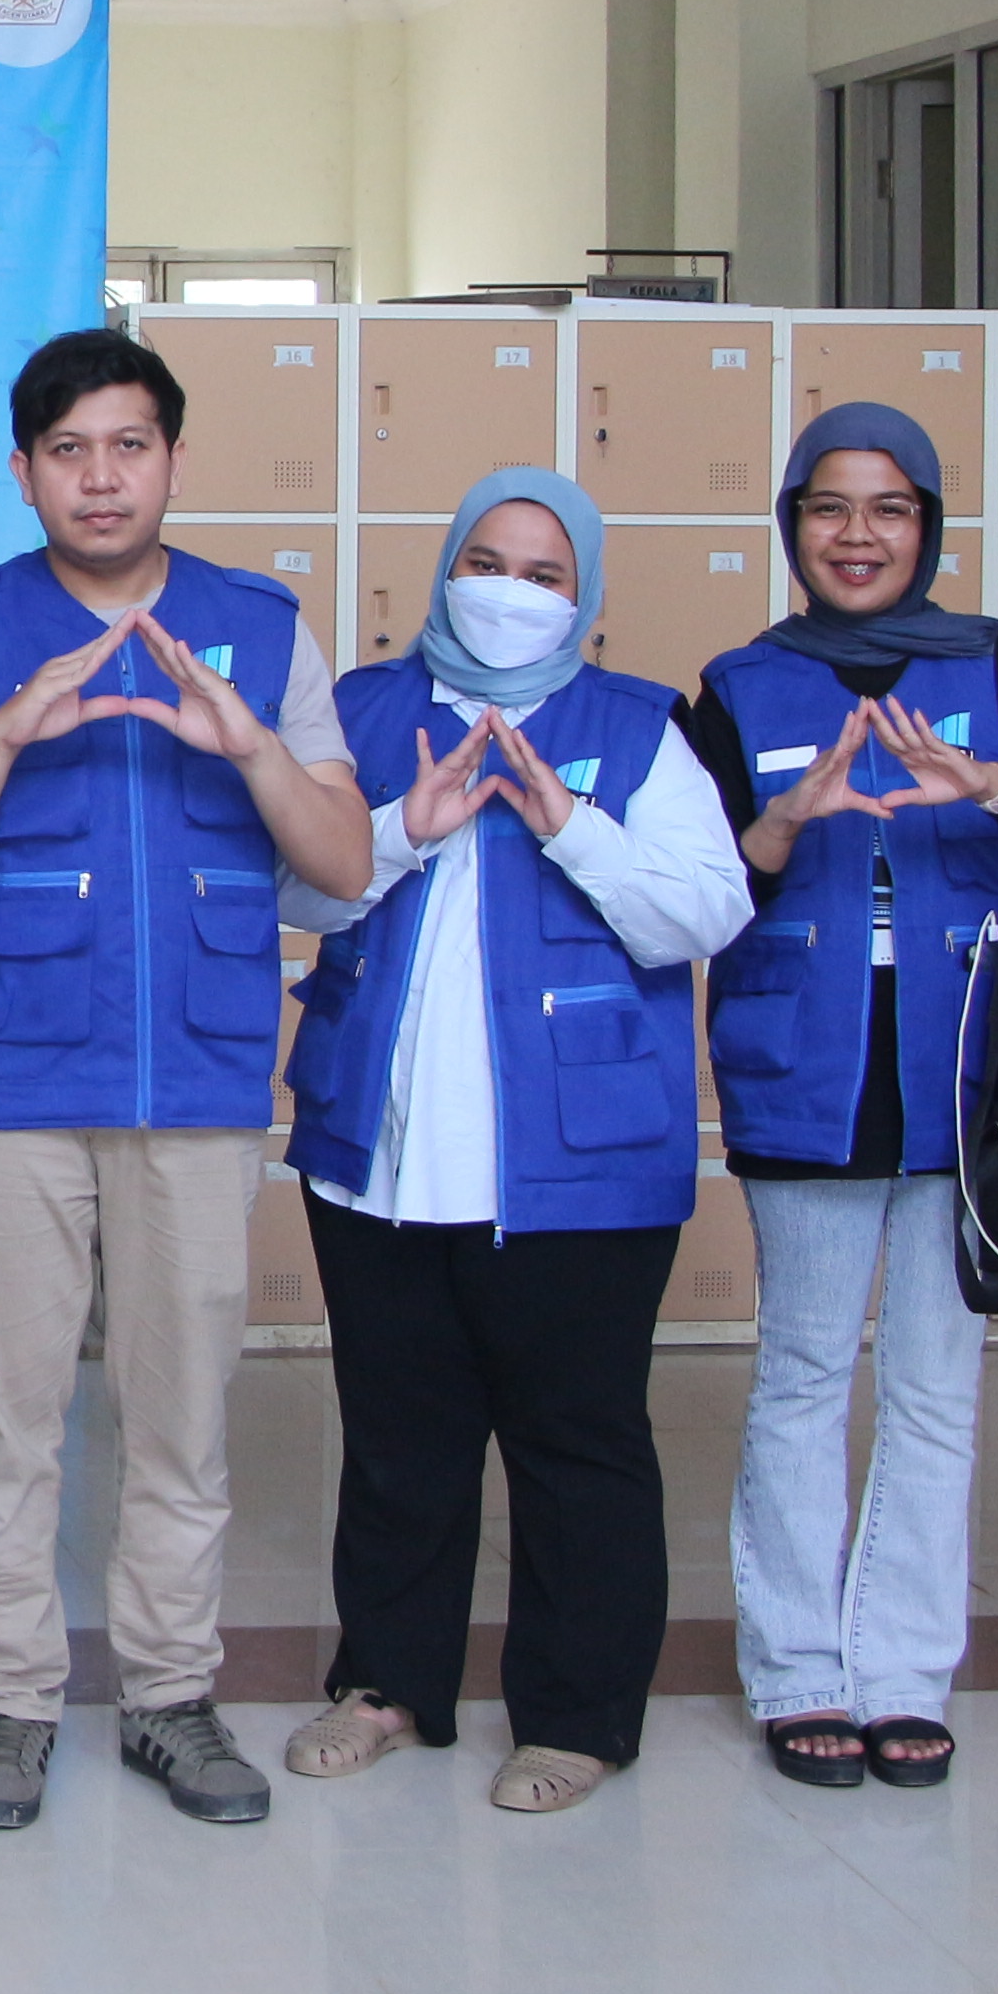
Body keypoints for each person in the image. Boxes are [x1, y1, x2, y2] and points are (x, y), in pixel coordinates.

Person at [0, 330, 371, 1833]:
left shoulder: (263, 632)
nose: (103, 476)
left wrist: (245, 747)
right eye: (72, 450)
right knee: (7, 1420)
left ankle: (169, 1696)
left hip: (199, 1085)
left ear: (171, 458)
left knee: (182, 1424)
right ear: (24, 472)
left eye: (131, 445)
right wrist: (11, 733)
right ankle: (13, 1707)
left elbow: (345, 860)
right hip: (11, 1083)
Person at [273, 468, 750, 1815]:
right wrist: (401, 834)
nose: (509, 590)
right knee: (399, 1433)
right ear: (443, 568)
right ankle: (387, 1681)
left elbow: (705, 912)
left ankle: (578, 1712)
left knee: (578, 1440)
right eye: (486, 559)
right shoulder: (366, 712)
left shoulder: (641, 728)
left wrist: (568, 825)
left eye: (543, 572)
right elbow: (294, 885)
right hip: (384, 1149)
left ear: (583, 592)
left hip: (584, 1164)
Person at [682, 407, 998, 1793]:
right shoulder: (743, 686)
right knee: (806, 1374)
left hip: (966, 1070)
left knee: (938, 1384)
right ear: (791, 524)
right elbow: (701, 892)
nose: (859, 535)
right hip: (800, 1069)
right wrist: (785, 824)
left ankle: (902, 1670)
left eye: (889, 509)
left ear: (929, 526)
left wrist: (993, 786)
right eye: (830, 508)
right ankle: (799, 1670)